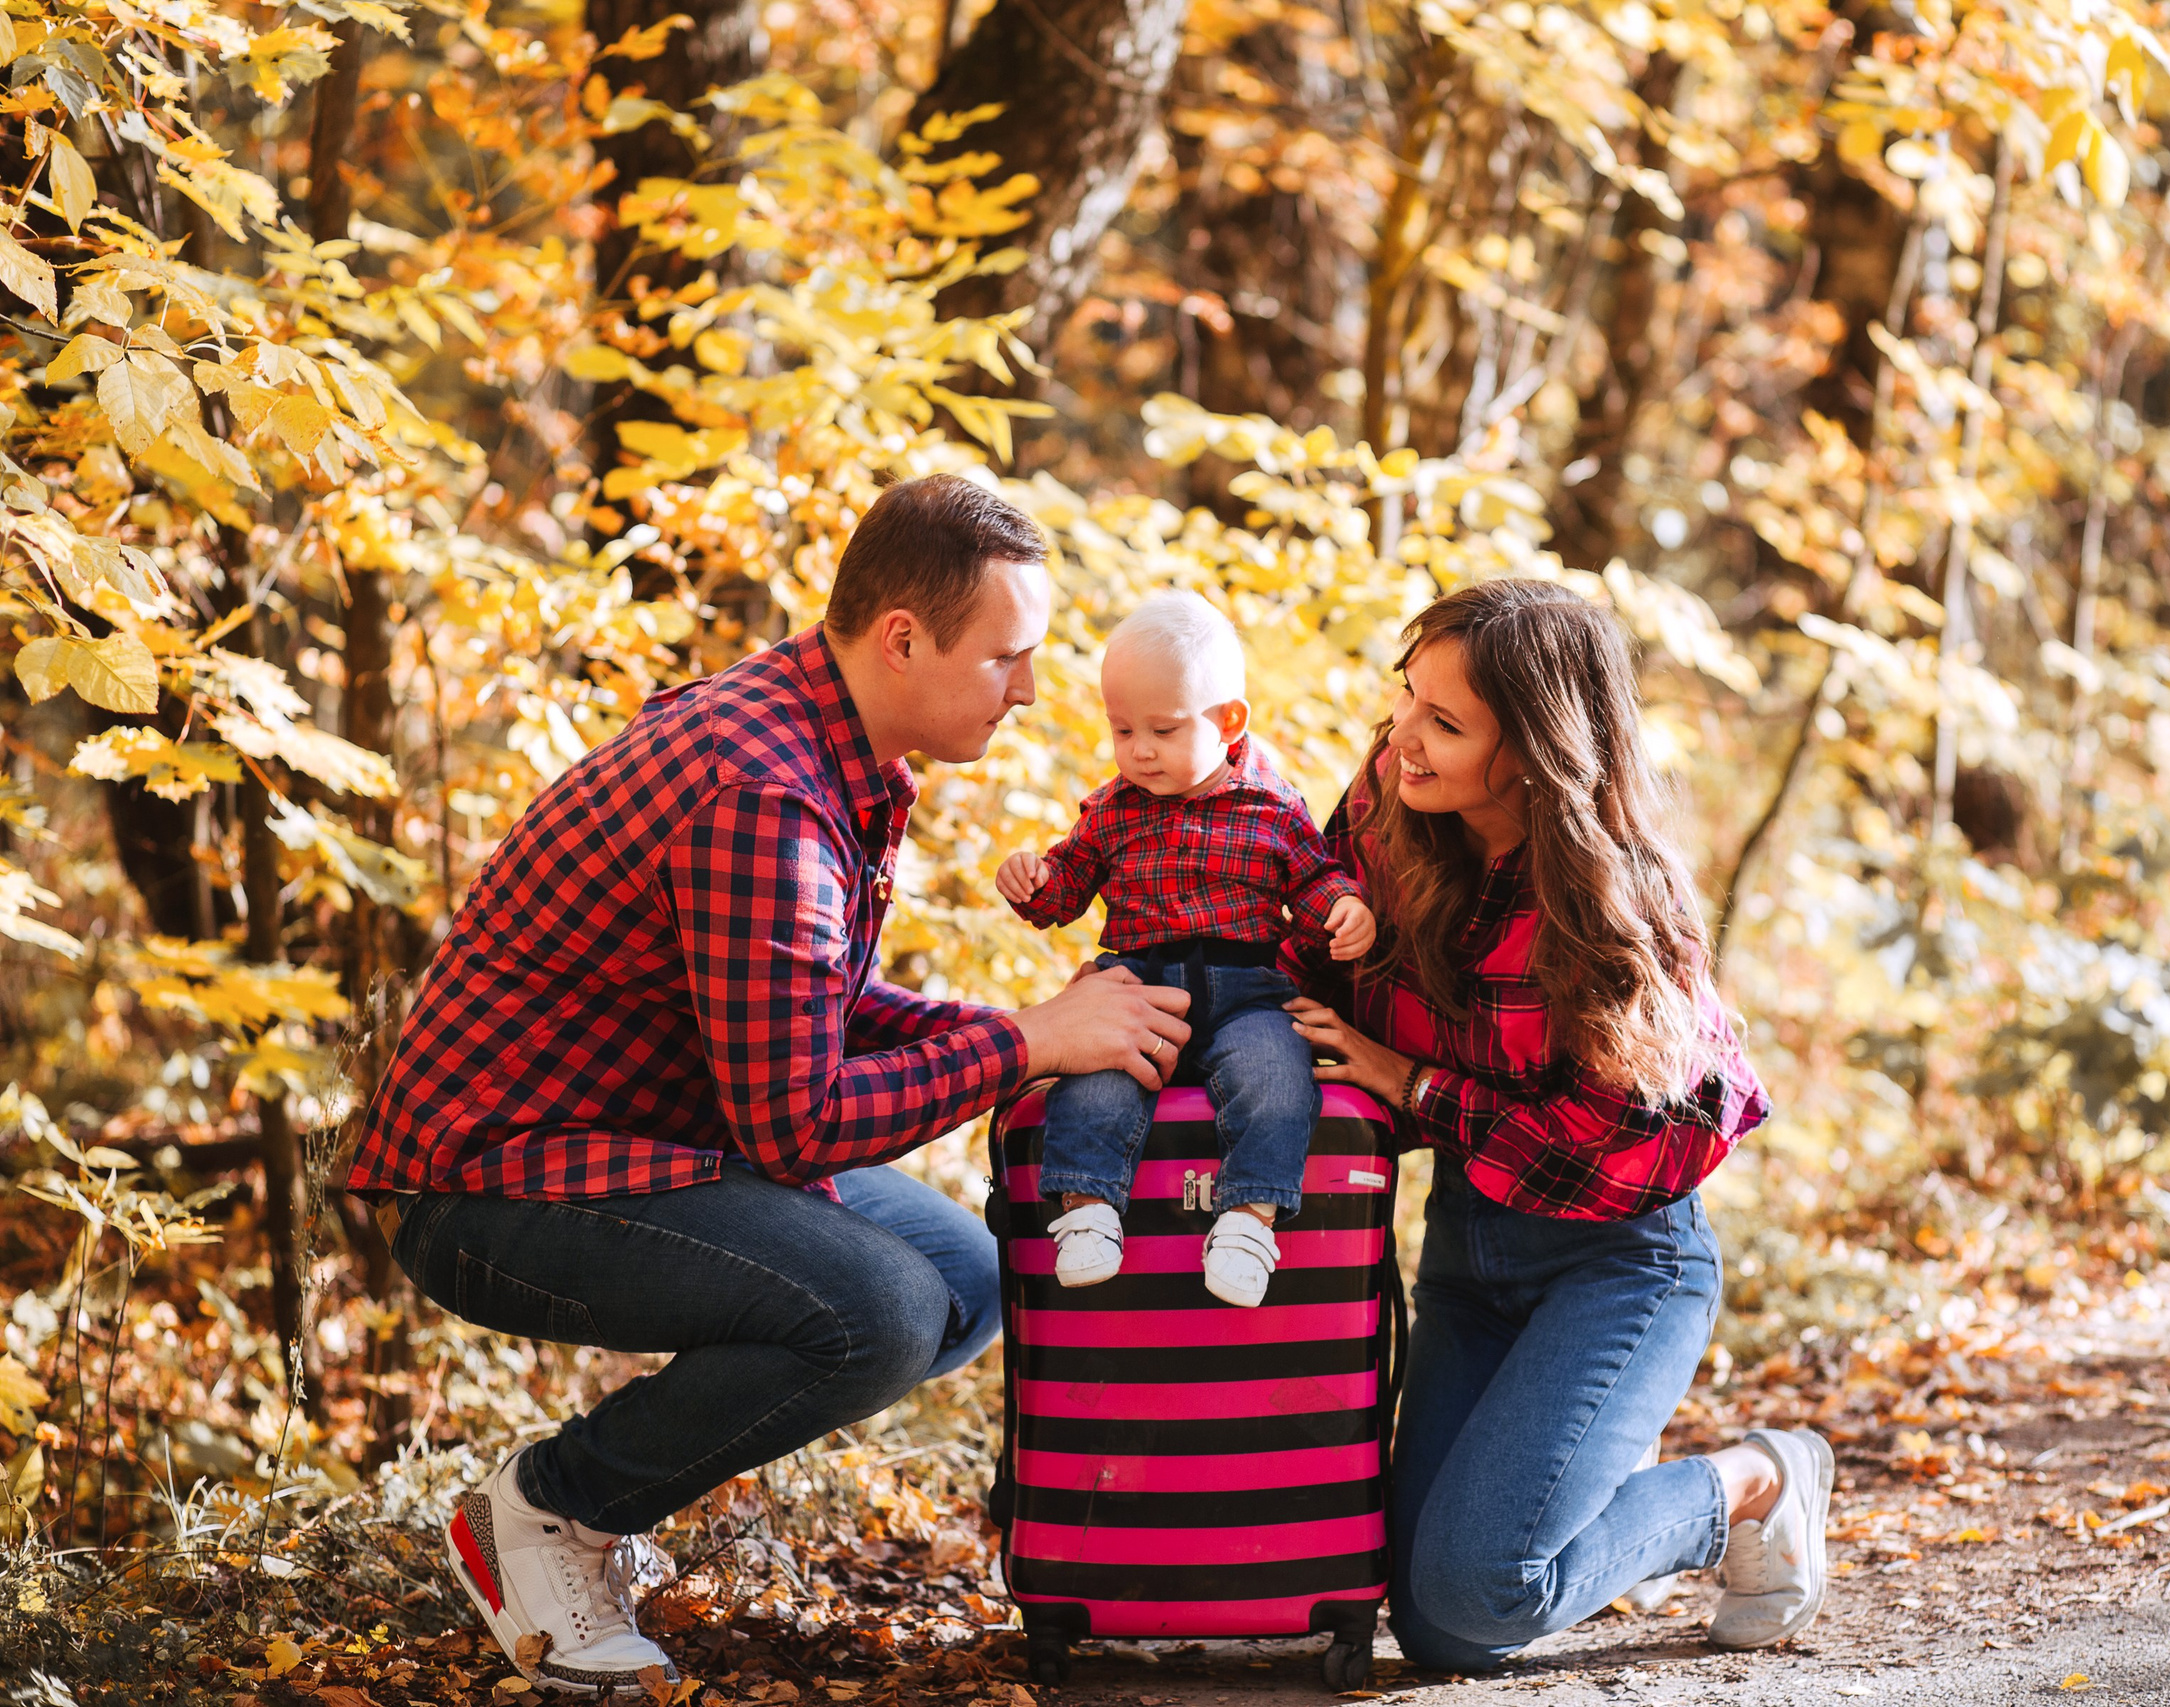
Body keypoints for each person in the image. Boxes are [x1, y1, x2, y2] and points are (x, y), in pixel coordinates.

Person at [346, 474, 1194, 1696]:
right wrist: (1026, 1041)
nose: (1027, 690)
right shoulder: (766, 793)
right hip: (492, 1189)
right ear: (902, 640)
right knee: (882, 1312)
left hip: (643, 1137)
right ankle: (544, 1513)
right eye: (1008, 657)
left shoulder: (816, 737)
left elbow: (810, 1010)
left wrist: (1049, 1029)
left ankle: (594, 1504)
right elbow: (795, 1123)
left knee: (959, 1276)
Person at [1281, 579, 1832, 1672]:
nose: (1403, 738)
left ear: (1532, 749)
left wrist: (1410, 1086)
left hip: (1620, 1263)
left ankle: (1756, 1481)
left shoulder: (1618, 906)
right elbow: (1303, 935)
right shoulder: (1390, 805)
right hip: (1470, 1248)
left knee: (1485, 1590)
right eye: (1405, 699)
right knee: (1438, 1626)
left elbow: (1605, 1140)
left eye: (1446, 723)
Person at [996, 591, 1376, 1307]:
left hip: (1246, 991)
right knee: (1096, 1079)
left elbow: (1315, 877)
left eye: (1163, 729)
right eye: (1122, 729)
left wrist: (1347, 909)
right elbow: (1065, 891)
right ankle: (1086, 1212)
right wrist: (1031, 880)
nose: (1139, 749)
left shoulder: (1272, 805)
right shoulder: (1113, 810)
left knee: (1278, 1074)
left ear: (1229, 721)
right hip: (1138, 988)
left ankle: (1248, 1219)